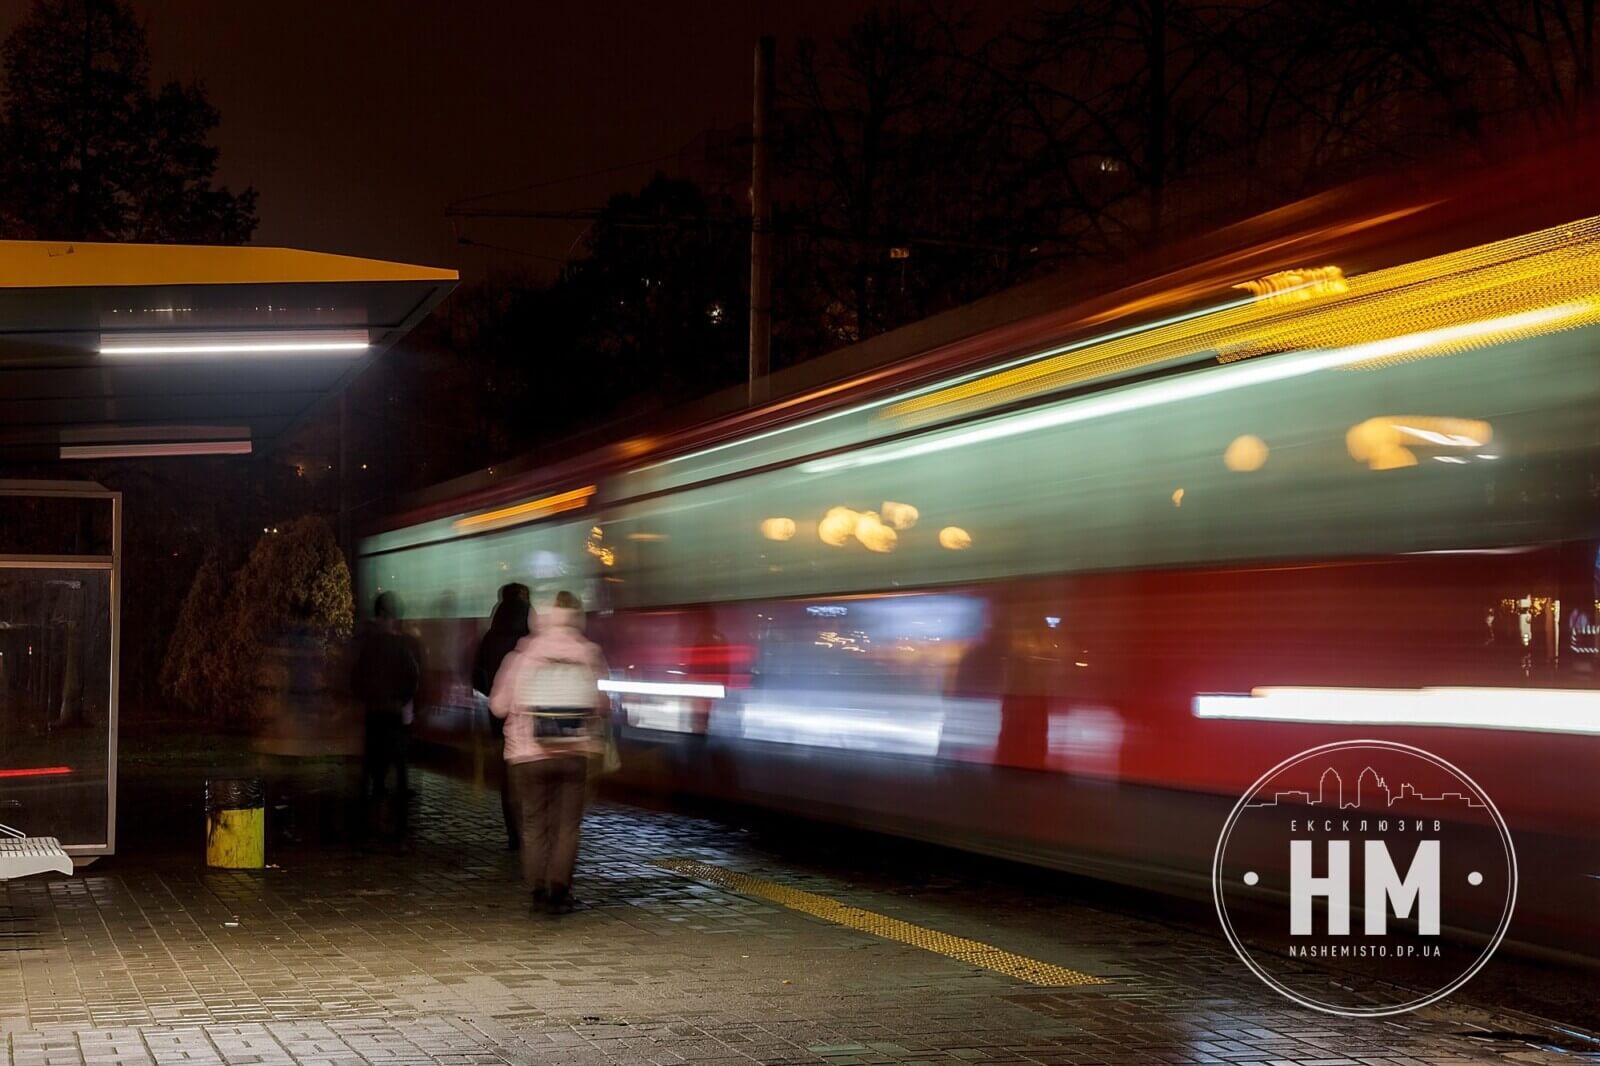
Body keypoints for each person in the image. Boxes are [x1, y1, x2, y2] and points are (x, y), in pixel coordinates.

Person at [489, 590, 608, 914]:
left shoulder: (522, 657)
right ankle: (560, 889)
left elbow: (498, 706)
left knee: (533, 824)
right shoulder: (588, 653)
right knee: (567, 825)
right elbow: (601, 706)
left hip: (528, 756)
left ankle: (537, 890)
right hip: (575, 754)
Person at [350, 590, 420, 848]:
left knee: (373, 774)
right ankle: (399, 831)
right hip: (396, 717)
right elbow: (413, 679)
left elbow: (355, 680)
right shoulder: (403, 646)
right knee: (399, 774)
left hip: (374, 716)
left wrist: (367, 698)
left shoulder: (367, 646)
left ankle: (369, 828)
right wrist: (401, 701)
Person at [472, 583, 531, 849]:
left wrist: (496, 695)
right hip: (531, 712)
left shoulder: (490, 636)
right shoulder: (532, 636)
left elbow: (478, 677)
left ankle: (514, 834)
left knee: (509, 774)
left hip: (501, 714)